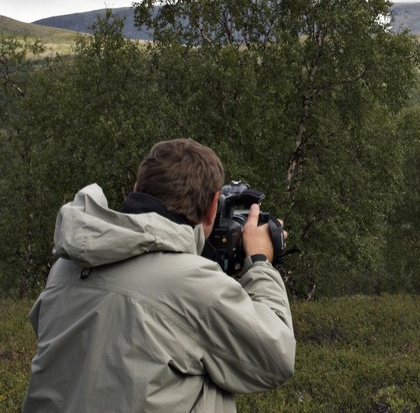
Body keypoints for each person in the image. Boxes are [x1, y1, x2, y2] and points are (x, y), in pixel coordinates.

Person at [22, 138, 296, 412]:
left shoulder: (67, 265)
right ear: (213, 206)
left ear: (136, 189)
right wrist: (260, 261)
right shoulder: (192, 285)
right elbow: (277, 357)